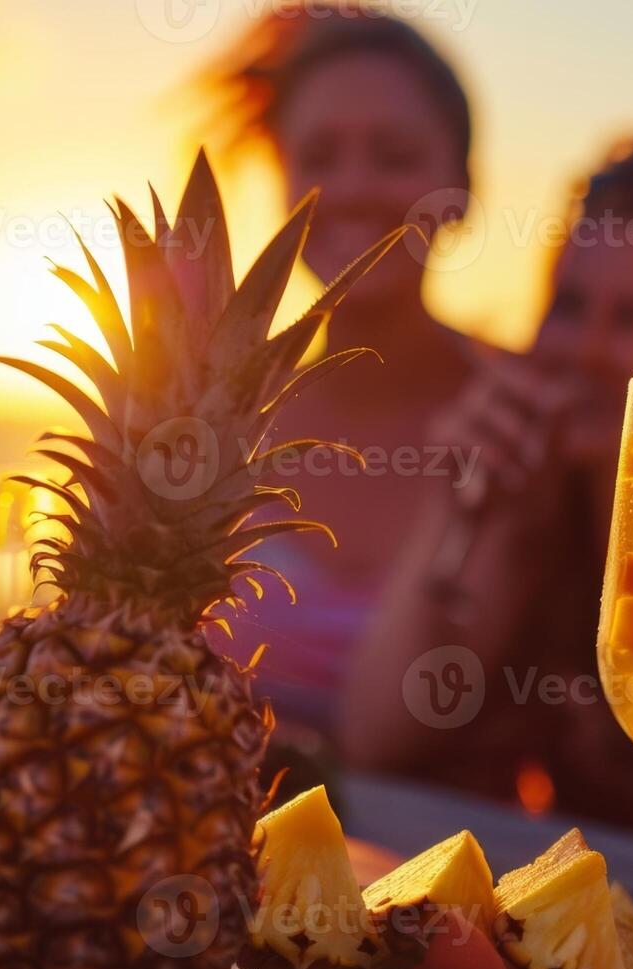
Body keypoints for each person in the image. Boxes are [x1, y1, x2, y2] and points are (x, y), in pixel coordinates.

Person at [339, 140, 633, 839]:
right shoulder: (530, 507)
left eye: (631, 320)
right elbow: (373, 737)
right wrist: (454, 512)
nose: (582, 348)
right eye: (567, 305)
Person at [205, 4, 479, 751]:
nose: (352, 187)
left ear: (460, 189)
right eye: (319, 157)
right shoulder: (211, 421)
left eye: (393, 156)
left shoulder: (518, 419)